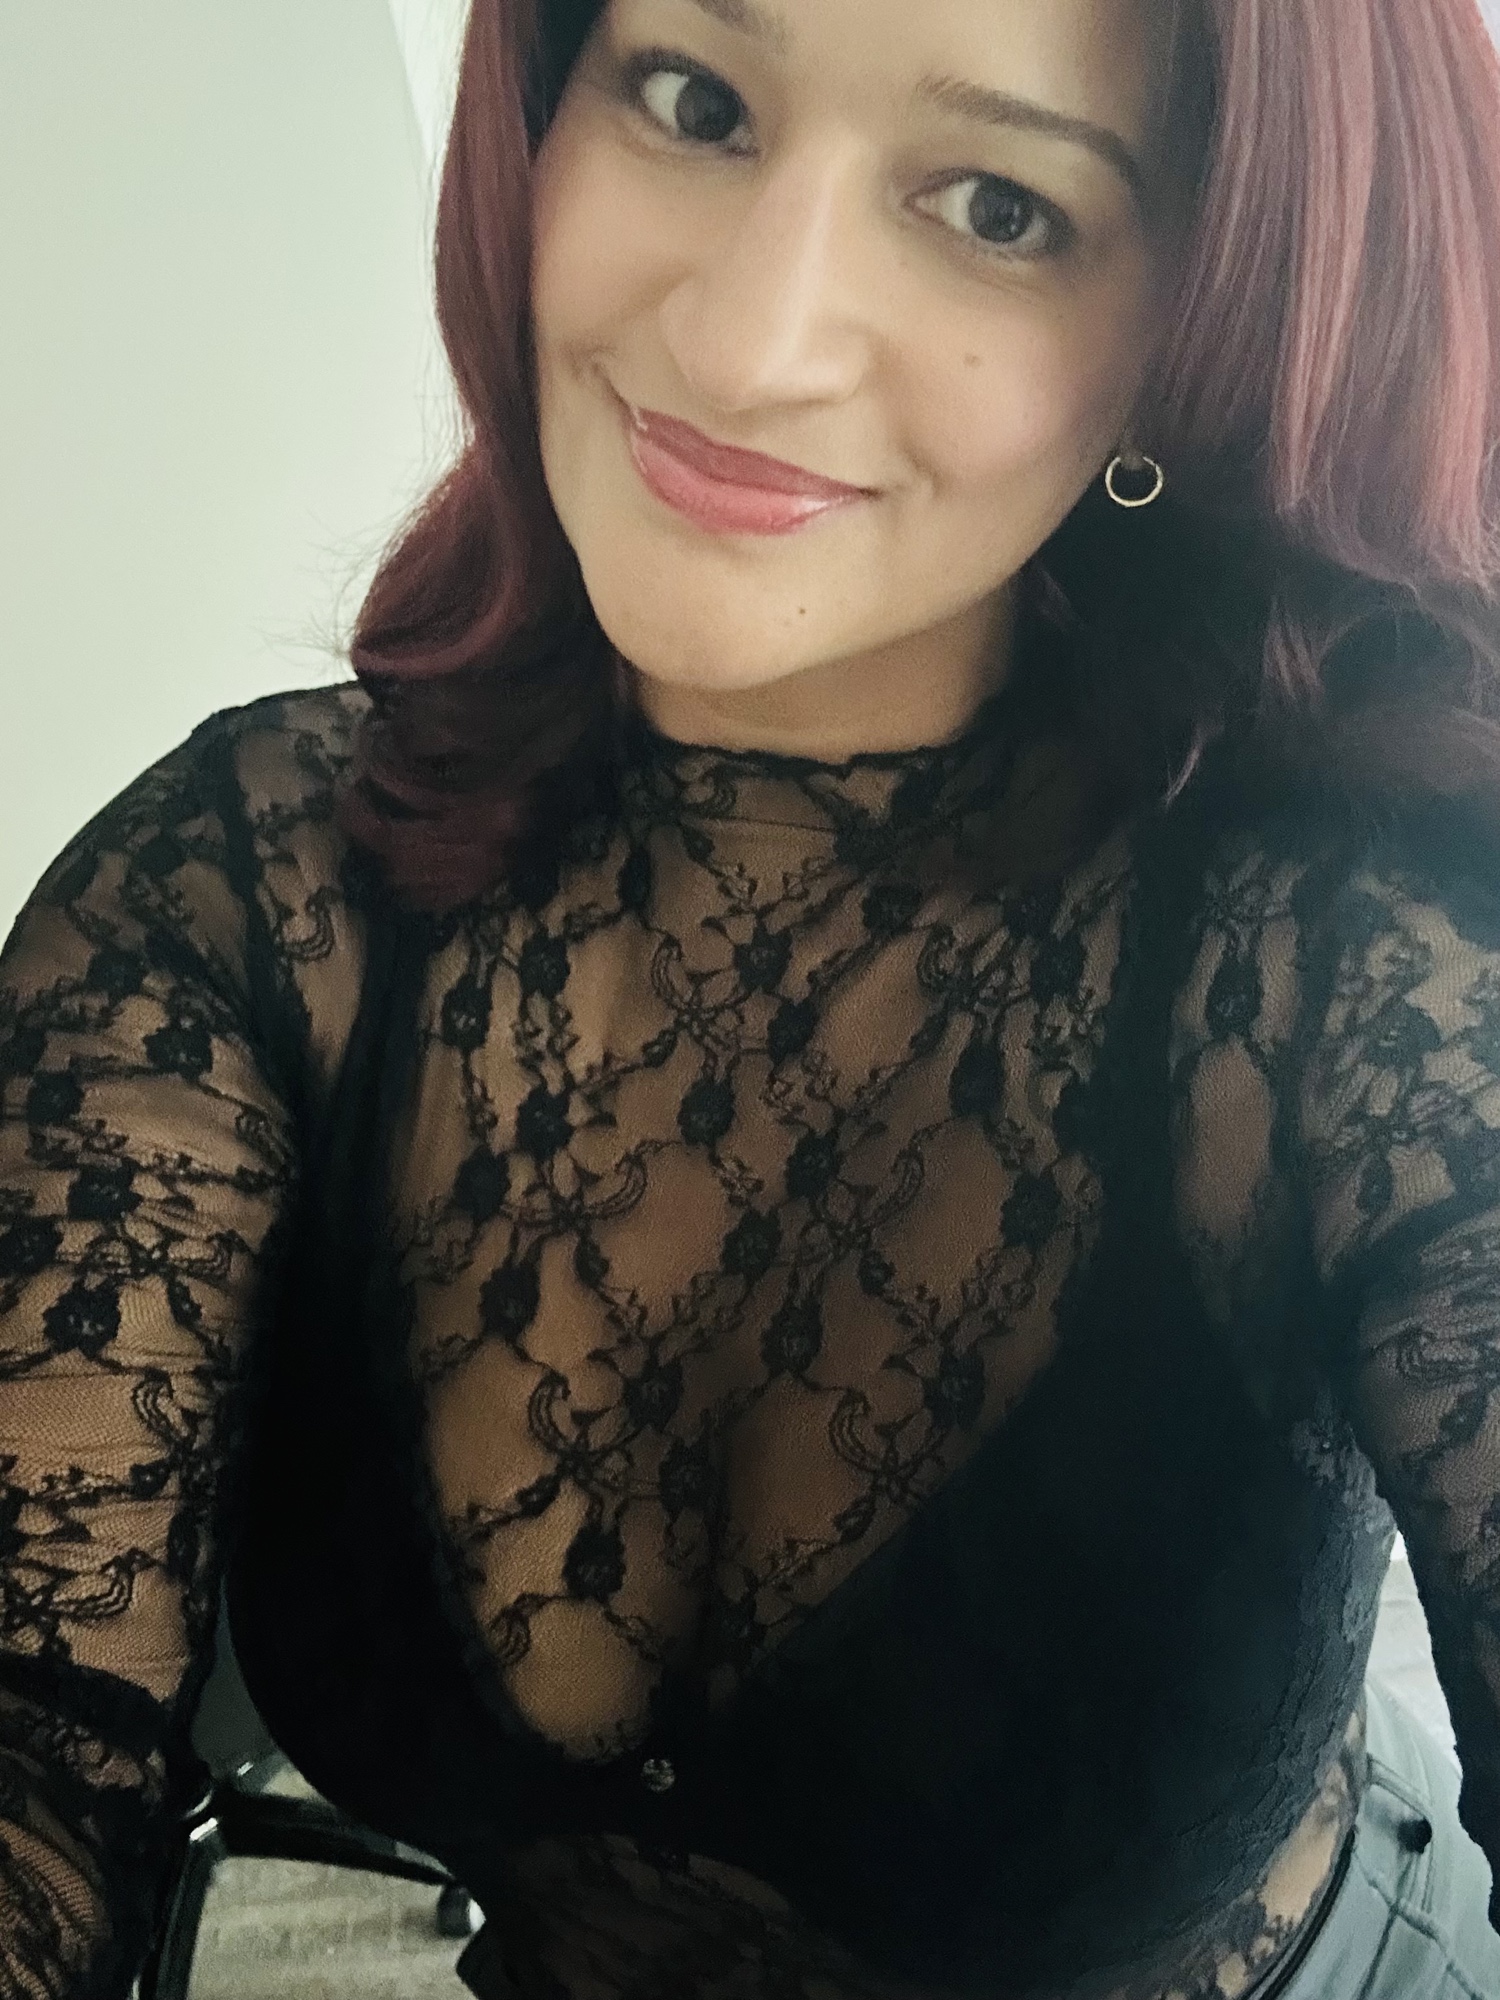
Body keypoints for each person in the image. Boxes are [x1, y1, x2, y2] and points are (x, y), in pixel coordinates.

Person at [3, 0, 1500, 1992]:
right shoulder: (239, 887)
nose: (742, 342)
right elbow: (33, 1742)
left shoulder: (1371, 950)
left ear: (1195, 327)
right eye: (695, 99)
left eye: (998, 206)